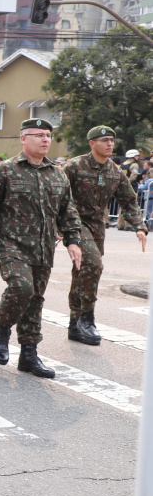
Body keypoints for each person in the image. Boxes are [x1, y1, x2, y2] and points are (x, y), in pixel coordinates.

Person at [0, 118, 83, 379]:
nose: (46, 139)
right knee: (22, 287)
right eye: (39, 135)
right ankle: (2, 329)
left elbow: (67, 210)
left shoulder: (57, 174)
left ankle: (29, 354)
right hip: (10, 243)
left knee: (35, 300)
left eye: (48, 135)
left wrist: (73, 240)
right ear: (24, 139)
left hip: (44, 247)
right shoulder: (5, 171)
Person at [63, 125, 147, 345]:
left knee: (82, 270)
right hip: (75, 222)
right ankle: (88, 318)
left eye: (112, 140)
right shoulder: (74, 166)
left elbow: (128, 200)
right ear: (92, 144)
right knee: (93, 265)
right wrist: (60, 226)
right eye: (104, 140)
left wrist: (139, 225)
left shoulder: (114, 171)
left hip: (97, 225)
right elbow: (58, 196)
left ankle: (74, 322)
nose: (110, 144)